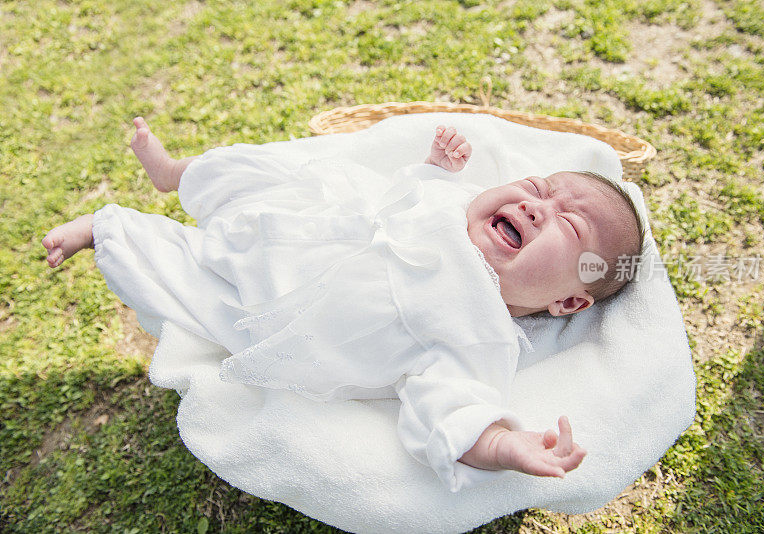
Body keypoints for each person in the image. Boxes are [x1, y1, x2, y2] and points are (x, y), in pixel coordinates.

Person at [42, 118, 643, 491]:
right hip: (301, 220)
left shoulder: (479, 327)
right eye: (538, 188)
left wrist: (502, 445)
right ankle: (179, 176)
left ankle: (109, 228)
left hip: (273, 306)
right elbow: (403, 193)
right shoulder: (458, 207)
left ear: (567, 300)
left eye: (567, 225)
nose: (539, 206)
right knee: (260, 166)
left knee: (180, 275)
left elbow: (453, 407)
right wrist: (433, 170)